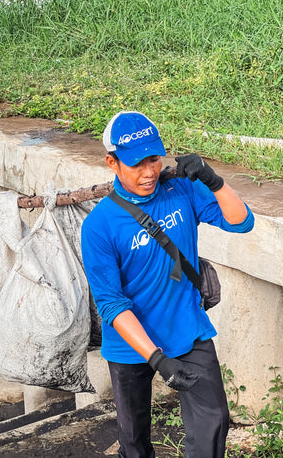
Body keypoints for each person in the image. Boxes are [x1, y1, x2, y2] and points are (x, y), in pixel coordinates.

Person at [81, 111, 255, 458]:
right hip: (131, 346)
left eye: (154, 159)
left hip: (187, 329)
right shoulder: (99, 226)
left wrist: (214, 181)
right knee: (133, 439)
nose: (149, 172)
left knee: (214, 420)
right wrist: (157, 359)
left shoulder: (181, 189)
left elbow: (242, 222)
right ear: (111, 162)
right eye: (137, 164)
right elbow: (112, 303)